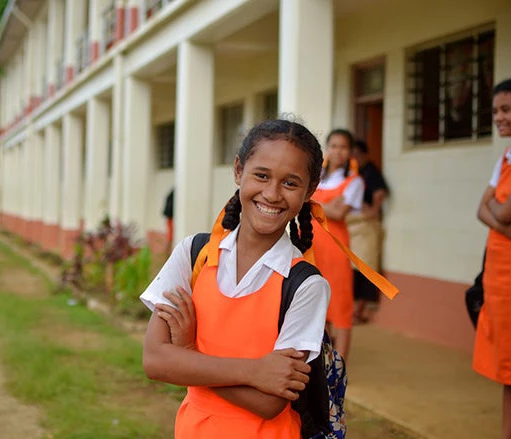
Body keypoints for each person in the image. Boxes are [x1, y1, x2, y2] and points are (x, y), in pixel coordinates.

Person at [141, 119, 330, 438]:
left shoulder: (305, 284)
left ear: (309, 190)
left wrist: (188, 356)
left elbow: (269, 401)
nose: (271, 194)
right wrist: (254, 371)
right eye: (261, 175)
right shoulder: (194, 253)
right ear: (239, 171)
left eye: (290, 183)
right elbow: (156, 360)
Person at [473, 77, 511, 439]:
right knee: (506, 362)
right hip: (500, 266)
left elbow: (502, 209)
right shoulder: (507, 156)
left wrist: (501, 222)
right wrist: (506, 230)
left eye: (507, 109)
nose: (499, 117)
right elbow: (481, 209)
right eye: (495, 111)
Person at [310, 129, 364, 361]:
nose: (337, 151)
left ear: (350, 151)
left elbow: (338, 212)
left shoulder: (355, 182)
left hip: (335, 248)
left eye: (343, 147)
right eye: (333, 146)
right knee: (315, 305)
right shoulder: (317, 178)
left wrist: (308, 201)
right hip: (309, 246)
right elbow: (329, 208)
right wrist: (325, 205)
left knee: (340, 307)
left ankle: (339, 369)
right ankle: (322, 365)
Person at [348, 140, 389, 323]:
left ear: (364, 155)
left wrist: (373, 210)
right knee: (350, 269)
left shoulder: (371, 172)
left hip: (365, 228)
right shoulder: (351, 172)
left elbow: (380, 193)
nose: (354, 157)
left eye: (357, 154)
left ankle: (358, 311)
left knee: (363, 269)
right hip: (351, 226)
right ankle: (351, 309)